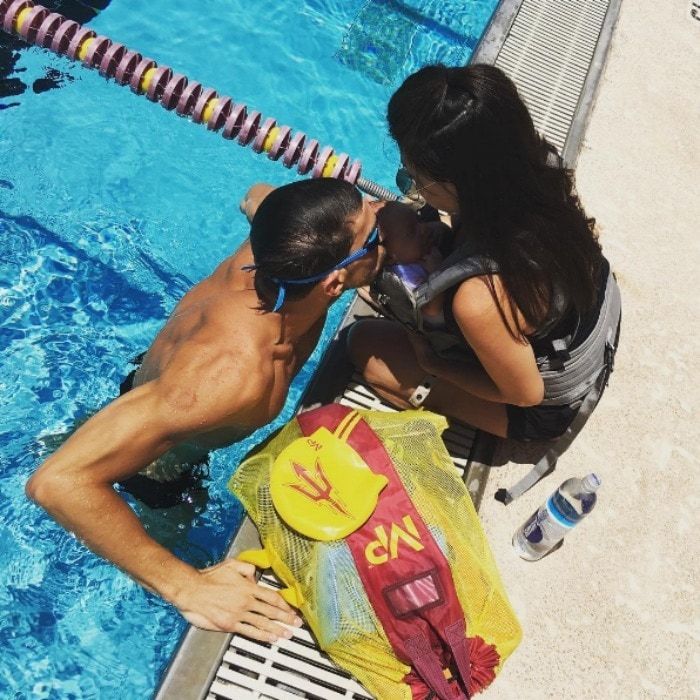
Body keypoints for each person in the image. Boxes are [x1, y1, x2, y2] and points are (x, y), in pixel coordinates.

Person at [26, 178, 385, 640]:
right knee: (170, 557)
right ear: (336, 281)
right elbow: (56, 483)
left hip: (154, 391)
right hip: (160, 473)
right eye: (374, 236)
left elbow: (257, 195)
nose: (383, 216)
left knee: (103, 432)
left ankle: (84, 437)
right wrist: (187, 588)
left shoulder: (272, 253)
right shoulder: (229, 375)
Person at [348, 64, 621, 458]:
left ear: (457, 184)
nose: (409, 186)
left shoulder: (479, 299)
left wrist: (434, 365)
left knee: (366, 350)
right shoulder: (534, 173)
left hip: (547, 404)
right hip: (592, 323)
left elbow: (527, 394)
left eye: (413, 178)